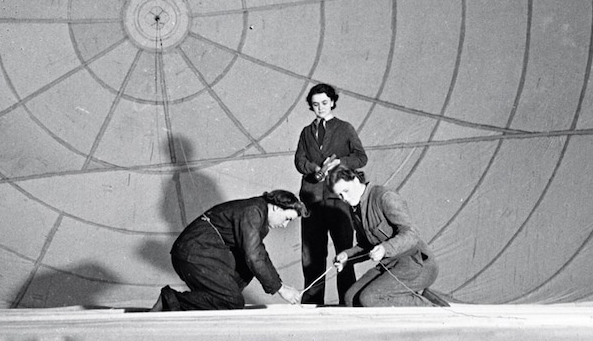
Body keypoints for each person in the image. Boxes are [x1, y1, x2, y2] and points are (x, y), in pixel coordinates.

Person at [151, 191, 307, 311]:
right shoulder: (254, 212)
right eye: (287, 218)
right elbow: (254, 256)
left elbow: (259, 255)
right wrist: (280, 289)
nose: (285, 225)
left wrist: (278, 284)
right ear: (275, 207)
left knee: (247, 269)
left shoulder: (257, 210)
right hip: (193, 253)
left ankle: (218, 298)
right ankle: (170, 300)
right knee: (233, 301)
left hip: (200, 252)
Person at [327, 166, 443, 307]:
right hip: (390, 265)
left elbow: (412, 233)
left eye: (345, 191)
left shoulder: (384, 196)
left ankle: (433, 307)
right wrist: (347, 256)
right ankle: (419, 296)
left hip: (417, 263)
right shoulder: (356, 207)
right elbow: (366, 245)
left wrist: (384, 248)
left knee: (370, 299)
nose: (344, 198)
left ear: (356, 180)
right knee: (350, 299)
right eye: (339, 195)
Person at [294, 83, 367, 305]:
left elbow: (361, 157)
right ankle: (312, 303)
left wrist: (339, 163)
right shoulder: (306, 132)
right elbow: (299, 160)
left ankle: (348, 301)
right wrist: (314, 170)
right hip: (312, 201)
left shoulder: (345, 128)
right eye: (315, 104)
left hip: (338, 202)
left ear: (333, 102)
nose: (320, 108)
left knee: (345, 252)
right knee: (311, 256)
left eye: (324, 103)